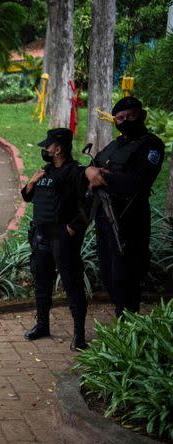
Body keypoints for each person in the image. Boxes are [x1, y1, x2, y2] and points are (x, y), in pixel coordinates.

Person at [83, 96, 165, 317]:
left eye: (131, 115)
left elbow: (138, 181)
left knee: (127, 277)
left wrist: (102, 176)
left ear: (141, 115)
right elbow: (93, 166)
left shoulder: (151, 144)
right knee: (109, 275)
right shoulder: (116, 144)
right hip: (105, 216)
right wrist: (88, 171)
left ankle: (128, 325)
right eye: (120, 117)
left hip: (130, 220)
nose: (125, 120)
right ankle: (123, 323)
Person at [21, 128, 89, 350]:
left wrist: (72, 228)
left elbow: (87, 205)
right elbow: (28, 196)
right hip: (41, 235)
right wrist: (31, 183)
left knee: (72, 284)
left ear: (58, 149)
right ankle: (42, 325)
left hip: (62, 237)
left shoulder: (75, 172)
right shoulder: (46, 170)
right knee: (42, 282)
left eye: (47, 146)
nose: (45, 149)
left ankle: (79, 334)